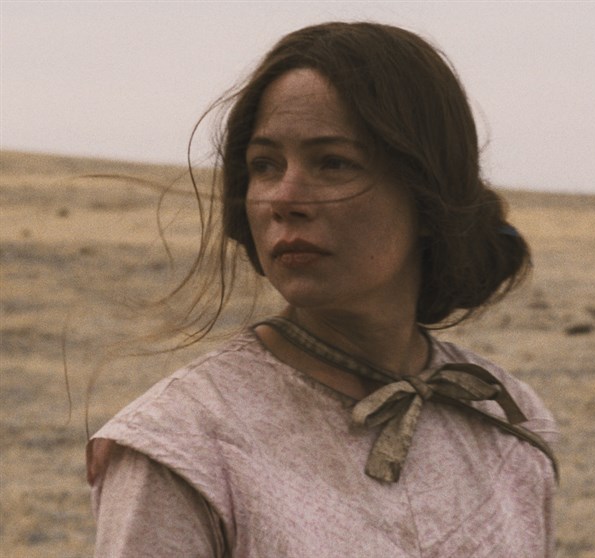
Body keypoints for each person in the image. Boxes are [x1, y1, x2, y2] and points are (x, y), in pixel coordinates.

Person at [87, 21, 559, 557]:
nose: (284, 198)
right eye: (265, 165)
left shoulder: (504, 418)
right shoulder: (181, 449)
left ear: (428, 196)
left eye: (333, 163)